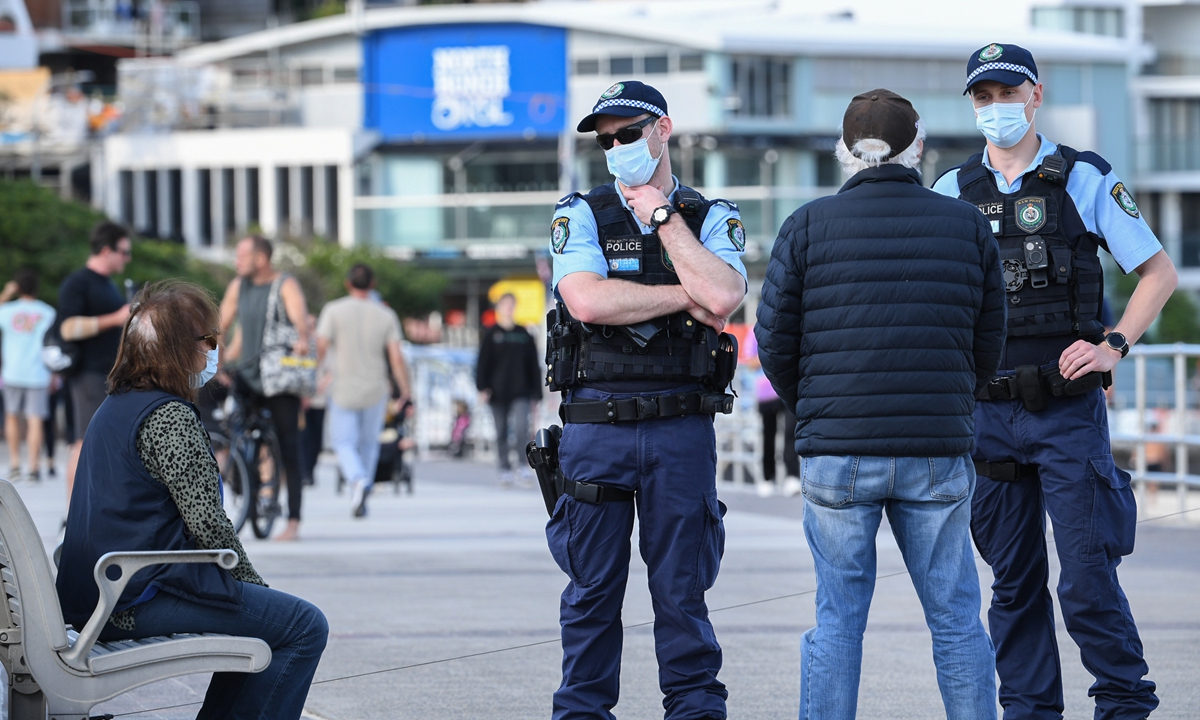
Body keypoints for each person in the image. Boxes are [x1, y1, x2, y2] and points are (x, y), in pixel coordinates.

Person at [931, 44, 1177, 720]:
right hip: (989, 418)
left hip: (1067, 412)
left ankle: (1124, 704)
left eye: (1007, 93)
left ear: (1036, 95)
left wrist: (1115, 347)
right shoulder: (950, 192)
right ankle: (1030, 712)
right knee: (1012, 586)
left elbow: (1158, 274)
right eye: (983, 97)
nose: (995, 108)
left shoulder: (1083, 176)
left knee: (1089, 580)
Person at [756, 89, 1004, 720]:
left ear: (843, 152)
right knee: (955, 619)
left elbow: (773, 339)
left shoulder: (806, 226)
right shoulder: (966, 223)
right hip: (936, 451)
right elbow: (989, 337)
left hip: (837, 452)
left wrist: (816, 404)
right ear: (917, 147)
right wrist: (953, 403)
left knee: (837, 620)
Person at [545, 80, 746, 720]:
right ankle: (582, 711)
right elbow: (586, 300)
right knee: (591, 592)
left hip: (680, 428)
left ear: (662, 130)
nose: (616, 148)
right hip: (595, 424)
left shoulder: (712, 214)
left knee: (682, 590)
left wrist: (663, 218)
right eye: (606, 140)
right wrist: (683, 293)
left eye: (628, 133)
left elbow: (724, 296)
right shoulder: (579, 212)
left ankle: (693, 708)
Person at [55, 280, 327, 720]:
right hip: (136, 597)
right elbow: (210, 526)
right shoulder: (169, 417)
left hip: (101, 591)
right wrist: (253, 587)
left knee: (262, 627)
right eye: (210, 340)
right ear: (181, 349)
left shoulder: (115, 405)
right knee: (302, 626)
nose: (214, 350)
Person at [219, 235, 310, 541]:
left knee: (289, 444)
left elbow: (300, 321)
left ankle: (293, 521)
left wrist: (301, 339)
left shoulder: (285, 284)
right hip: (248, 372)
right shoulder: (238, 287)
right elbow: (220, 325)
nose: (237, 261)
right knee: (231, 428)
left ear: (261, 258)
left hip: (279, 375)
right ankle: (245, 477)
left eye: (242, 255)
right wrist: (215, 360)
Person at [316, 263, 411, 519]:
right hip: (375, 387)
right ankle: (364, 488)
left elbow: (321, 347)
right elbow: (396, 357)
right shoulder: (385, 314)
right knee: (370, 443)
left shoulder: (333, 310)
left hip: (343, 387)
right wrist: (405, 391)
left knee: (343, 441)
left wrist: (313, 377)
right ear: (372, 284)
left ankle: (357, 481)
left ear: (348, 283)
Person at [57, 221, 132, 503]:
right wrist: (116, 318)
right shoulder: (79, 282)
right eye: (124, 252)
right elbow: (67, 327)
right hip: (88, 374)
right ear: (106, 250)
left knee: (99, 445)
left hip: (107, 374)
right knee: (83, 443)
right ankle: (72, 516)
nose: (128, 258)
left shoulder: (106, 284)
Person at [475, 293, 542, 486]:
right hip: (497, 391)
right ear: (499, 307)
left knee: (522, 428)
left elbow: (533, 365)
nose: (508, 309)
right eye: (505, 305)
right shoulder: (491, 333)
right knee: (501, 430)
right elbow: (482, 363)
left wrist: (536, 393)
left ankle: (522, 464)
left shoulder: (523, 334)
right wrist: (482, 387)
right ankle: (504, 467)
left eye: (511, 305)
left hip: (520, 390)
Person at [0, 270, 56, 483]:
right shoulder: (48, 312)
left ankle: (15, 463)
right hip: (38, 372)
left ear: (18, 287)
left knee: (11, 416)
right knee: (35, 420)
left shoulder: (7, 310)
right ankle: (33, 467)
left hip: (12, 371)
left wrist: (6, 293)